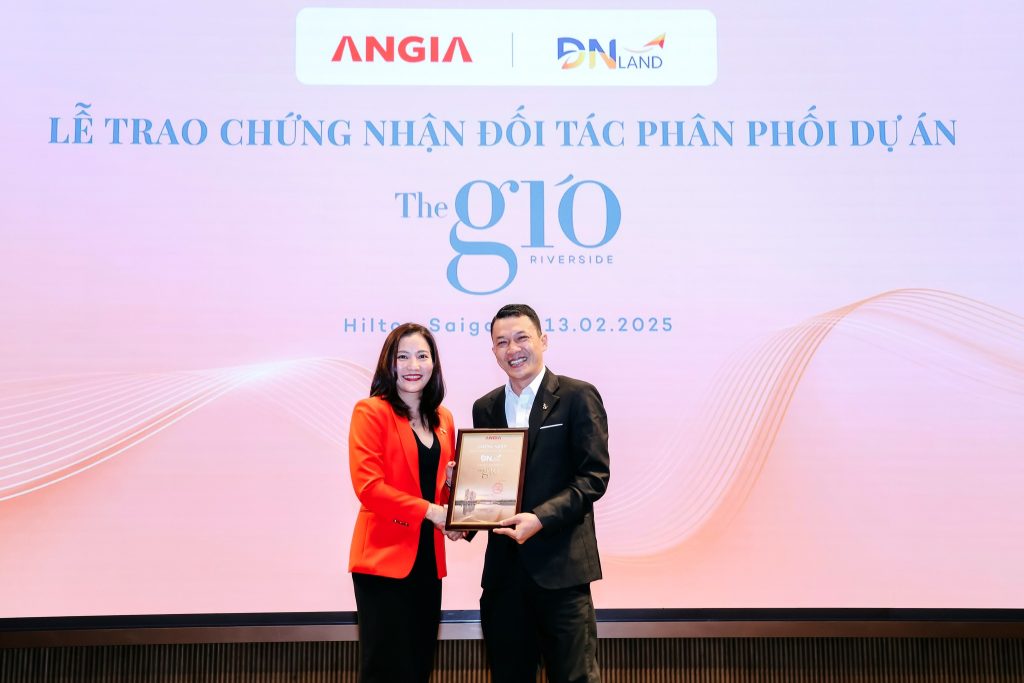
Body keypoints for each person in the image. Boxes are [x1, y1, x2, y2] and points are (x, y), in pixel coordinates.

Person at [472, 304, 610, 683]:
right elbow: (490, 483)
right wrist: (462, 492)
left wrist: (540, 518)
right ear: (493, 350)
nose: (513, 349)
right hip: (504, 578)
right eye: (502, 342)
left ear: (543, 340)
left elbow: (593, 477)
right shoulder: (485, 407)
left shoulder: (578, 396)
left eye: (522, 338)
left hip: (562, 574)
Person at [348, 323, 456, 683]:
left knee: (418, 666)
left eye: (422, 356)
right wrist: (432, 511)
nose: (413, 365)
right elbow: (369, 488)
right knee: (385, 670)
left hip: (428, 560)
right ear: (389, 363)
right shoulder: (371, 411)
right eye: (403, 356)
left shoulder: (443, 419)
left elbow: (439, 493)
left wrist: (453, 494)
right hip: (383, 562)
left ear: (434, 364)